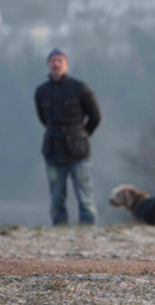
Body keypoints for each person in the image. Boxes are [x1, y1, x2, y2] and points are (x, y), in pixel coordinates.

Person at [34, 48, 102, 225]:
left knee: (84, 194)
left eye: (60, 61)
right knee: (56, 197)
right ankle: (59, 228)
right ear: (48, 65)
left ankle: (87, 229)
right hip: (53, 150)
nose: (56, 64)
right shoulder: (41, 91)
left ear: (66, 64)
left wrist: (83, 135)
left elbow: (95, 116)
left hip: (78, 151)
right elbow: (43, 119)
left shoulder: (80, 88)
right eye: (53, 61)